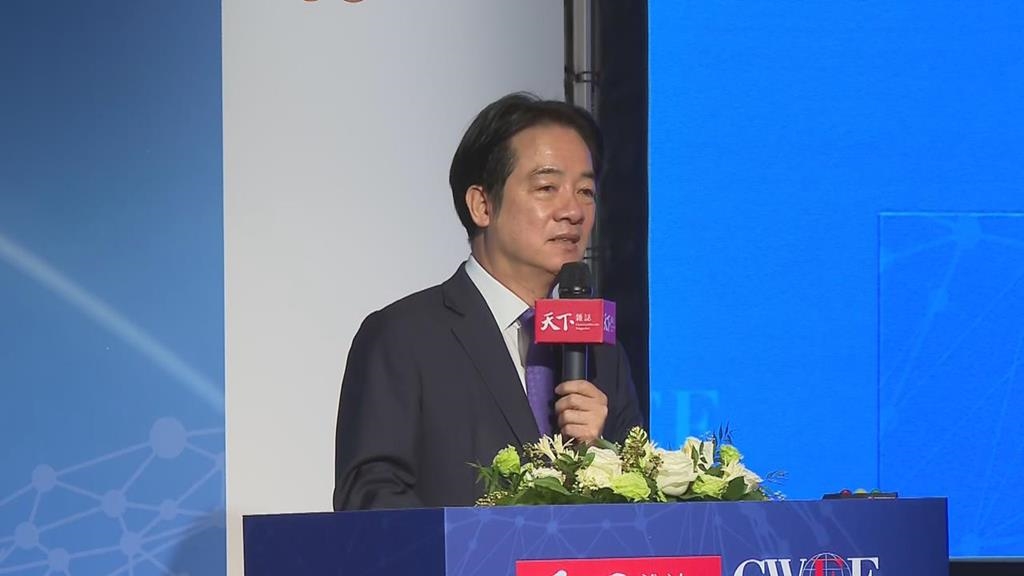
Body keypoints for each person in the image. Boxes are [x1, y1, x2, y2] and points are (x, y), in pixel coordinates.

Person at [333, 93, 644, 510]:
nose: (573, 211)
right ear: (482, 205)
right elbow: (368, 497)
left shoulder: (603, 354)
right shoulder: (403, 337)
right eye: (547, 188)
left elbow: (642, 517)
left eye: (586, 191)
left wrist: (601, 453)